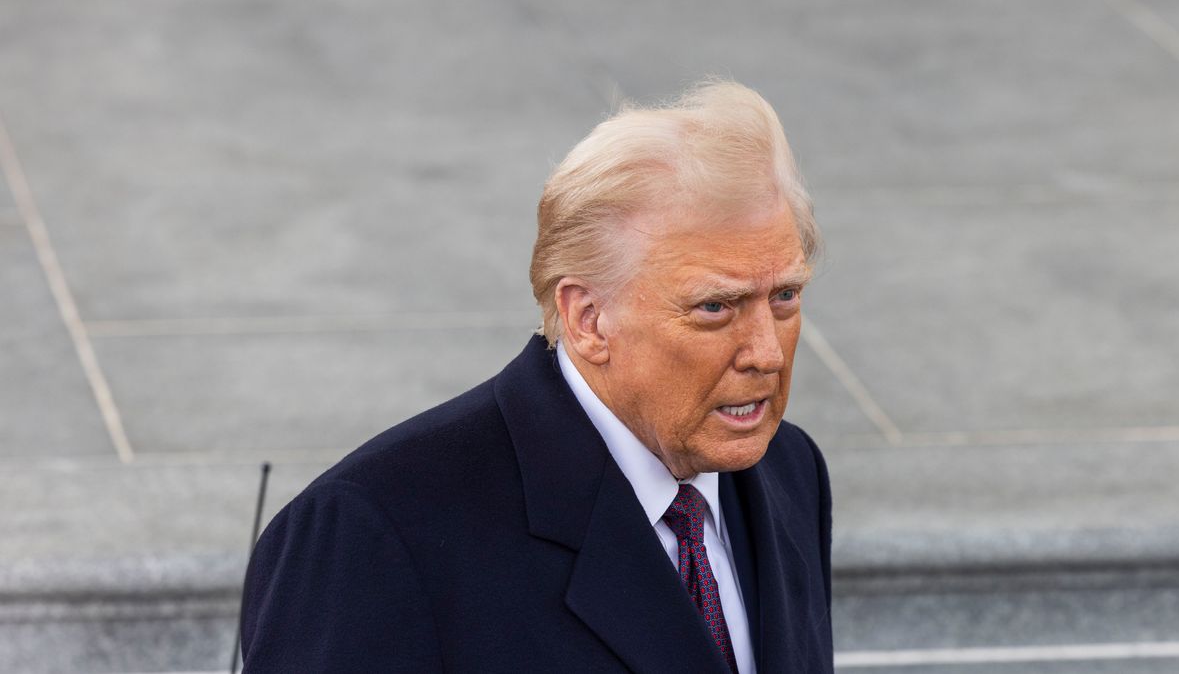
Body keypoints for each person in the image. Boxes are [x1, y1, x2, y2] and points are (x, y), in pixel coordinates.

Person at [240, 80, 833, 673]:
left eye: (784, 296)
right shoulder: (369, 533)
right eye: (715, 307)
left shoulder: (791, 470)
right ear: (588, 320)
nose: (767, 354)